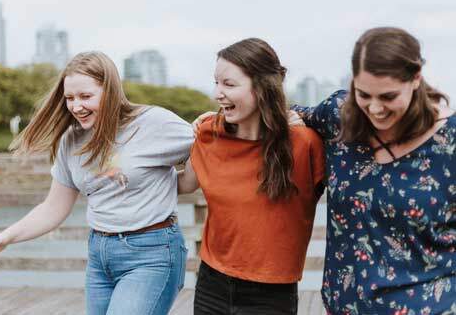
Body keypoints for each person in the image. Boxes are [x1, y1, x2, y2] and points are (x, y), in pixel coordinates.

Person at [0, 51, 193, 315]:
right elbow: (53, 208)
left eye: (86, 96)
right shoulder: (71, 139)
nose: (76, 106)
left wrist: (183, 177)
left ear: (110, 91)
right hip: (100, 257)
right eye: (70, 98)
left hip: (152, 254)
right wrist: (5, 237)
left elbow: (208, 152)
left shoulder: (153, 123)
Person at [290, 27, 455, 314]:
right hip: (340, 307)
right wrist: (212, 125)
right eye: (364, 94)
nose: (375, 108)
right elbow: (288, 114)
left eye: (388, 96)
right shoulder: (339, 114)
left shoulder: (450, 143)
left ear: (416, 79)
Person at [178, 38, 325, 315]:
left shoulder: (304, 143)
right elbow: (183, 184)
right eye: (216, 83)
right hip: (212, 283)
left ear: (262, 88)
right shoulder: (209, 133)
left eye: (229, 84)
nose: (218, 94)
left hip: (271, 294)